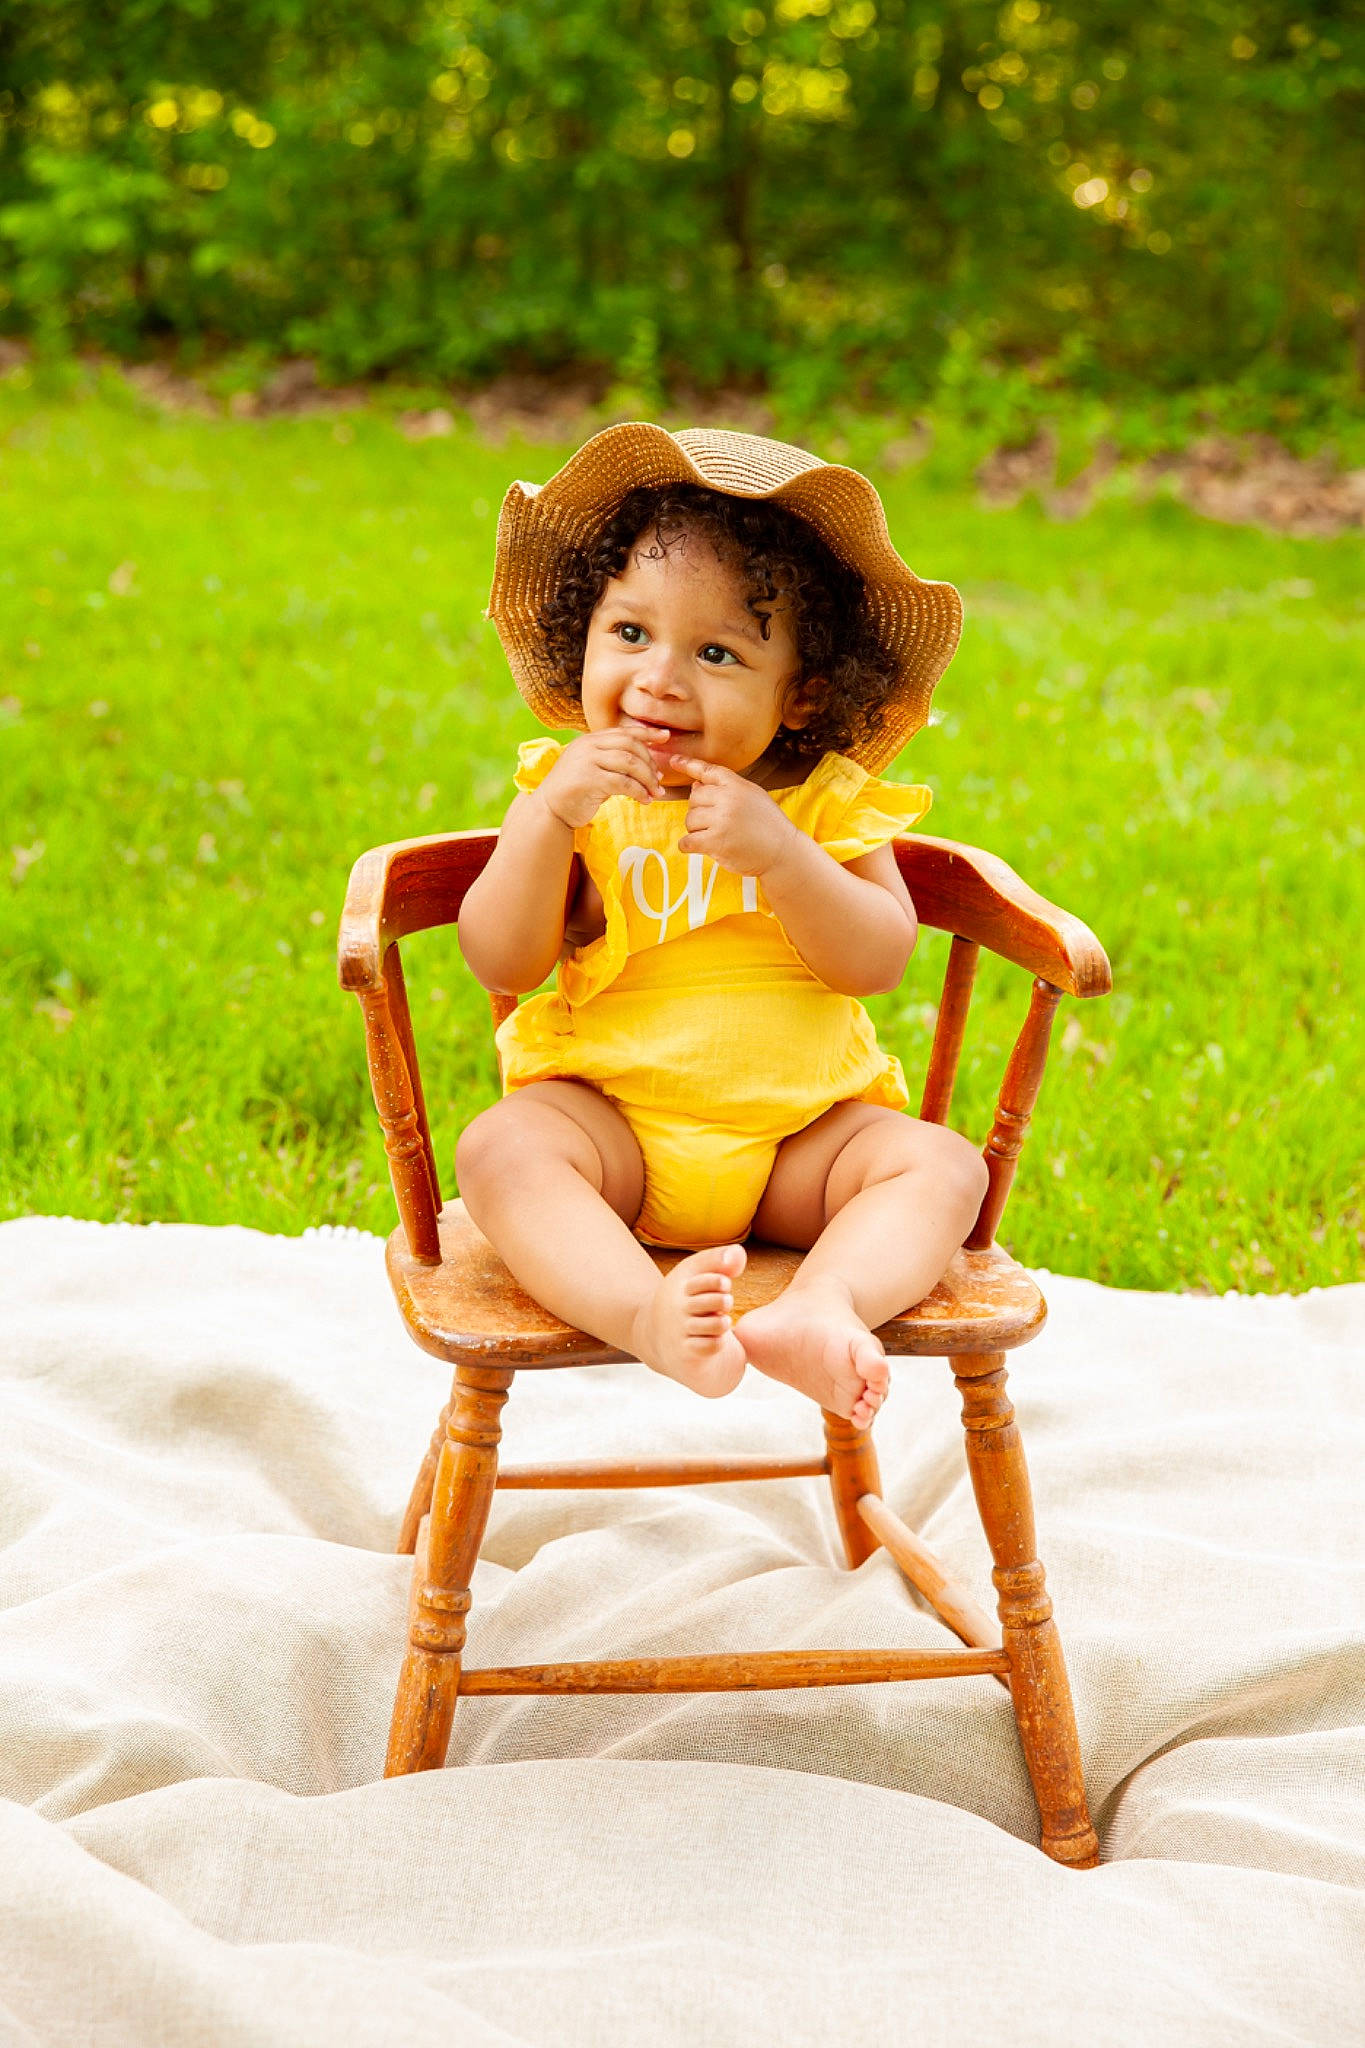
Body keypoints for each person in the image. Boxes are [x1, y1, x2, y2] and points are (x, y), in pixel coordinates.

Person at [455, 424, 988, 1427]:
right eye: (629, 634)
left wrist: (784, 857)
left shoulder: (827, 803)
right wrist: (543, 819)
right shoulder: (576, 794)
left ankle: (823, 1304)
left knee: (942, 1166)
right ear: (584, 635)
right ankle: (644, 1314)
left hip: (798, 1145)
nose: (660, 677)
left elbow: (878, 958)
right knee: (500, 1148)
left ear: (804, 694)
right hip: (614, 1132)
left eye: (716, 651)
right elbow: (502, 955)